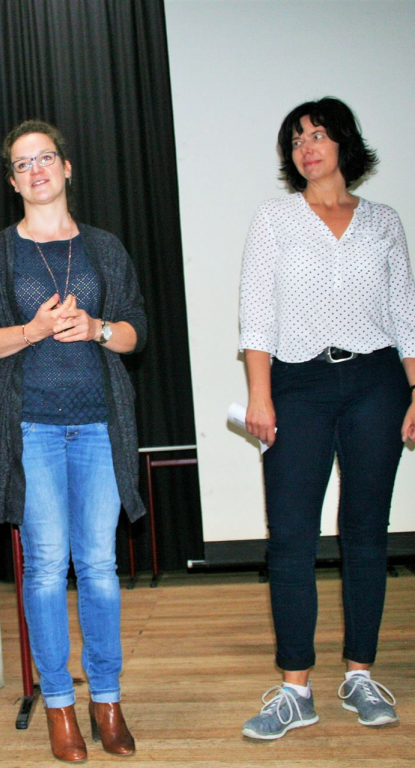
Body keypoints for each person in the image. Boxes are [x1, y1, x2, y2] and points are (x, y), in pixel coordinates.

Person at [0, 120, 147, 762]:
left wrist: (97, 328)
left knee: (98, 566)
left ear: (66, 168)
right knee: (43, 566)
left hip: (99, 425)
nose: (36, 169)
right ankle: (60, 706)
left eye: (45, 158)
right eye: (22, 163)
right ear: (13, 182)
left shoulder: (103, 247)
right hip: (29, 427)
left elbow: (136, 331)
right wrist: (33, 330)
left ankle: (108, 700)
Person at [239, 97, 415, 740]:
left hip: (376, 382)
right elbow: (256, 313)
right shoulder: (275, 218)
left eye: (317, 135)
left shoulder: (384, 221)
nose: (307, 147)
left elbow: (406, 314)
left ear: (343, 142)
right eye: (296, 140)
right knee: (291, 535)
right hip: (298, 382)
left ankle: (360, 674)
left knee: (366, 531)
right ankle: (296, 689)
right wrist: (260, 395)